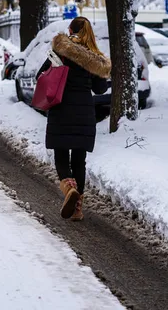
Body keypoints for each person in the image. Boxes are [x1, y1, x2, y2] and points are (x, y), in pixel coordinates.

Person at [36, 17, 111, 221]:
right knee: (79, 160)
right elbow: (100, 89)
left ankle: (69, 189)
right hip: (85, 113)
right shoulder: (93, 58)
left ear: (70, 30)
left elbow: (41, 75)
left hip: (61, 109)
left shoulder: (61, 50)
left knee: (61, 155)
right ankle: (77, 209)